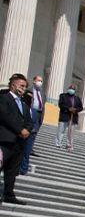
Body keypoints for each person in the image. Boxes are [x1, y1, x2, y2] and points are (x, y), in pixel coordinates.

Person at [0, 74, 32, 205]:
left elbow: (29, 121)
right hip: (5, 139)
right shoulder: (3, 98)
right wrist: (20, 130)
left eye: (25, 86)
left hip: (19, 143)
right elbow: (5, 116)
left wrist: (27, 130)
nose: (23, 88)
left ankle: (9, 193)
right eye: (21, 85)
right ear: (13, 85)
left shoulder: (24, 105)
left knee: (12, 170)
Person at [20, 74, 45, 175]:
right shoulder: (28, 90)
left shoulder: (42, 93)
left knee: (33, 136)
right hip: (30, 112)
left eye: (41, 81)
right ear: (34, 81)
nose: (40, 82)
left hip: (38, 114)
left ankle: (25, 165)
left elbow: (43, 106)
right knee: (26, 137)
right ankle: (21, 165)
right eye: (39, 80)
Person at [55, 83, 82, 149]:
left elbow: (81, 107)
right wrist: (68, 109)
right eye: (70, 88)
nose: (71, 89)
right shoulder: (63, 96)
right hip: (64, 115)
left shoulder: (77, 99)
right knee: (61, 130)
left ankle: (69, 144)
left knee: (71, 132)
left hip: (73, 117)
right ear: (68, 88)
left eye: (73, 89)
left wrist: (75, 110)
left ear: (75, 90)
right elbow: (61, 104)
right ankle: (58, 143)